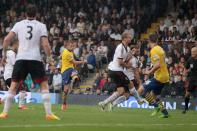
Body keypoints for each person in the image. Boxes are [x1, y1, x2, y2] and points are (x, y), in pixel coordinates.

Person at [0, 4, 60, 120]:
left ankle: (4, 113)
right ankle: (48, 114)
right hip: (35, 58)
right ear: (36, 14)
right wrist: (50, 60)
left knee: (13, 86)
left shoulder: (19, 24)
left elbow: (7, 39)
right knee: (43, 85)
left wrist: (3, 55)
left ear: (25, 14)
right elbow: (46, 44)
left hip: (21, 58)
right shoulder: (41, 26)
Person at [98, 32, 143, 111]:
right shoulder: (120, 47)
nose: (130, 39)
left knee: (121, 90)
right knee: (131, 84)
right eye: (129, 37)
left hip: (115, 71)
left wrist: (131, 54)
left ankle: (104, 103)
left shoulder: (127, 48)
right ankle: (139, 100)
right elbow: (120, 62)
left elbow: (126, 59)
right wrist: (127, 66)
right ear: (124, 38)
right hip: (116, 70)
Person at [137, 34, 169, 118]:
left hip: (159, 77)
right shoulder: (160, 48)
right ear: (157, 40)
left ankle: (156, 107)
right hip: (165, 76)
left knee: (141, 90)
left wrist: (149, 72)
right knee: (154, 96)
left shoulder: (154, 50)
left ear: (149, 41)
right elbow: (160, 63)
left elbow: (158, 65)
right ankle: (165, 113)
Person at [0, 40, 28, 110]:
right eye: (18, 44)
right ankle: (21, 105)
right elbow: (15, 64)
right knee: (22, 88)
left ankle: (1, 100)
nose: (19, 46)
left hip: (8, 75)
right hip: (10, 75)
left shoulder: (9, 53)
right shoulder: (11, 53)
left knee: (14, 92)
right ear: (15, 44)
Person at [61, 39, 86, 111]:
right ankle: (64, 104)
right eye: (71, 46)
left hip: (70, 69)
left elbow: (73, 62)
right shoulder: (66, 53)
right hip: (65, 71)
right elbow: (74, 62)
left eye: (73, 46)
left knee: (67, 89)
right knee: (65, 90)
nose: (72, 47)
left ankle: (75, 80)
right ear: (67, 46)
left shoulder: (70, 52)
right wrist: (83, 61)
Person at [182, 46, 197, 114]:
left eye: (194, 52)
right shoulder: (190, 59)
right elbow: (186, 67)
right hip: (192, 79)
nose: (192, 53)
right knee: (187, 94)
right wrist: (185, 72)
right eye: (191, 52)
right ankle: (186, 107)